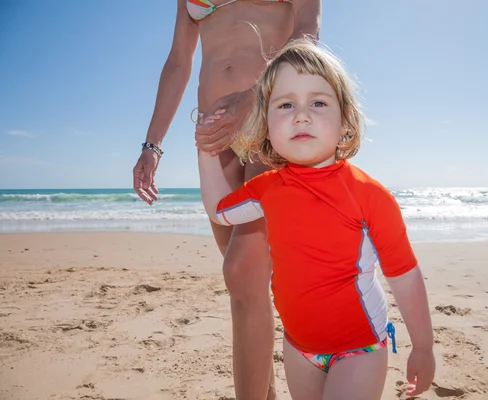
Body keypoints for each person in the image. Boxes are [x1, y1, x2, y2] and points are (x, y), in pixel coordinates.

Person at [198, 39, 436, 400]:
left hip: (359, 349)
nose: (301, 114)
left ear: (345, 121)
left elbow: (403, 275)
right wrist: (206, 150)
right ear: (266, 125)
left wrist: (423, 346)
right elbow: (220, 210)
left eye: (319, 102)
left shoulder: (369, 196)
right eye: (286, 104)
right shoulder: (267, 189)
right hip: (298, 348)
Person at [132, 1, 321, 398]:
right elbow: (178, 63)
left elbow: (306, 34)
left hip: (272, 120)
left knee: (240, 269)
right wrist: (153, 144)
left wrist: (255, 97)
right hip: (214, 139)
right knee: (246, 288)